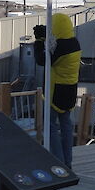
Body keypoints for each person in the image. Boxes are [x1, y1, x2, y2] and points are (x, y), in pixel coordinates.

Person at [33, 14, 80, 168]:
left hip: (55, 92)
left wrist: (39, 41)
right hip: (70, 91)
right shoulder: (74, 43)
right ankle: (68, 162)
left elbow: (41, 60)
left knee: (51, 127)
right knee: (66, 126)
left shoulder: (60, 47)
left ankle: (58, 162)